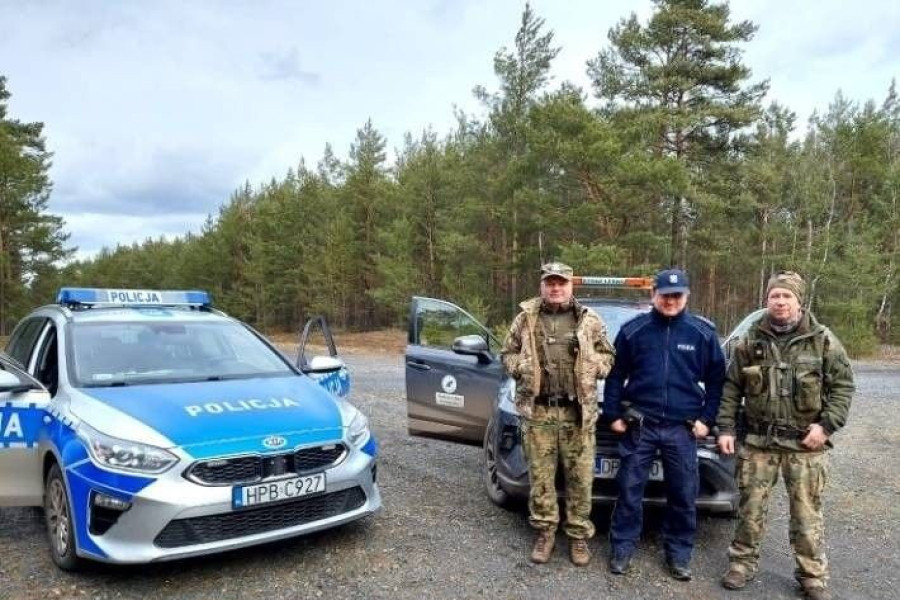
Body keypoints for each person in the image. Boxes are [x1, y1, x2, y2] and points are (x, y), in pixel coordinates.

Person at [717, 271, 854, 600]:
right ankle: (742, 563)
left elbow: (843, 387)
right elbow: (732, 387)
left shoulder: (822, 340)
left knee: (807, 514)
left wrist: (826, 426)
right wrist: (725, 427)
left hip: (805, 445)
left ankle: (811, 575)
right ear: (766, 300)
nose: (779, 302)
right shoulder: (750, 341)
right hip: (759, 442)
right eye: (774, 296)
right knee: (749, 509)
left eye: (786, 296)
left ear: (799, 301)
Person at [604, 268, 726, 580]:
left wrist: (706, 420)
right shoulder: (634, 331)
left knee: (684, 494)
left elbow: (716, 382)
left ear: (686, 297)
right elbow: (616, 376)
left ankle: (679, 553)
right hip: (640, 426)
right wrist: (614, 415)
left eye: (677, 296)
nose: (670, 301)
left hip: (682, 429)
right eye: (664, 295)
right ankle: (622, 548)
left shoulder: (702, 334)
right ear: (653, 295)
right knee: (629, 490)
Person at [500, 262, 615, 566]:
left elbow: (608, 354)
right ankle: (545, 532)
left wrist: (596, 368)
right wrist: (520, 369)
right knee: (541, 478)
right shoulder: (526, 318)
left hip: (578, 414)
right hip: (539, 411)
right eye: (550, 282)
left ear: (570, 285)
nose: (556, 287)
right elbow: (507, 352)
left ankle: (578, 536)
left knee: (580, 479)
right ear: (542, 285)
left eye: (561, 282)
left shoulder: (588, 320)